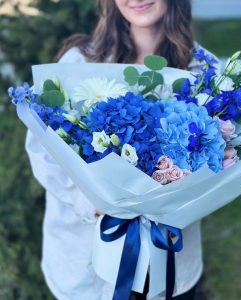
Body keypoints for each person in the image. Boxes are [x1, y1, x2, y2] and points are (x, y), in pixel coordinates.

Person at [25, 0, 219, 299]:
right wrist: (93, 202)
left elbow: (219, 161)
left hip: (168, 260)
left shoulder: (203, 71)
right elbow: (43, 151)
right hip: (85, 260)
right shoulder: (79, 62)